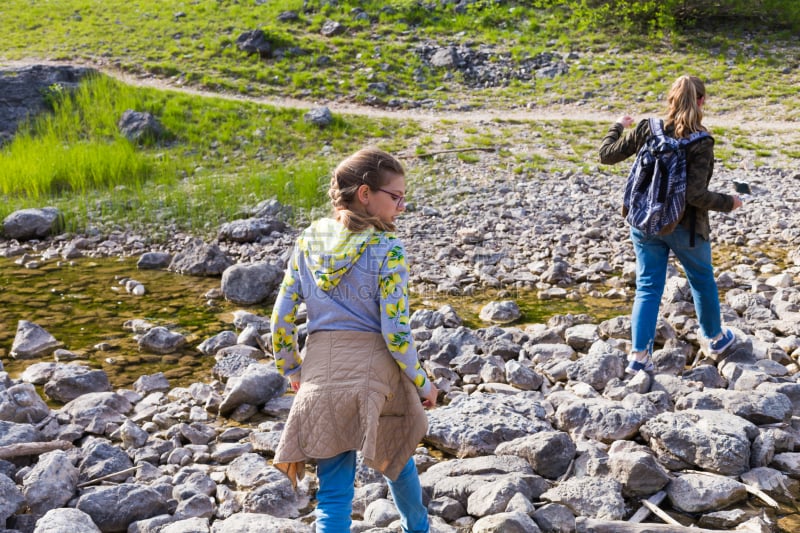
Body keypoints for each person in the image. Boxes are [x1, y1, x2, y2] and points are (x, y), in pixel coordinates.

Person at [270, 147, 438, 533]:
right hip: (376, 372)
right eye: (395, 197)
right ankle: (419, 528)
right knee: (397, 454)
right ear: (366, 194)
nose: (402, 206)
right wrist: (422, 382)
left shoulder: (308, 242)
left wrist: (292, 369)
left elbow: (280, 317)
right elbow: (395, 332)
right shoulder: (388, 249)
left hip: (320, 373)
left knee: (333, 493)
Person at [598, 75, 743, 374]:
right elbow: (695, 195)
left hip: (644, 222)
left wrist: (617, 125)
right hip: (685, 228)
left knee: (648, 287)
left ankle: (638, 358)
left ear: (670, 100)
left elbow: (606, 156)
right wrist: (730, 202)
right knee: (702, 281)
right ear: (702, 102)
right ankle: (715, 339)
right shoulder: (701, 142)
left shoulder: (647, 128)